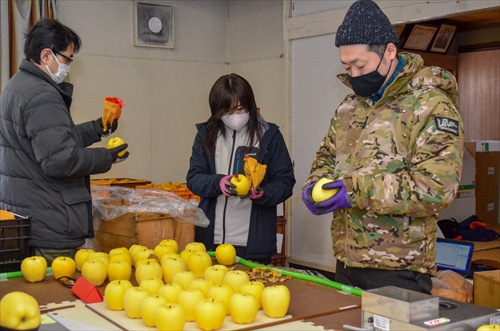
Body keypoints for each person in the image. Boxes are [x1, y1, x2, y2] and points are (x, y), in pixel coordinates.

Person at [301, 0, 464, 294]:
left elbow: (437, 188)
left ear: (389, 52)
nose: (353, 74)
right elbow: (326, 158)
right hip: (346, 262)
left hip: (400, 269)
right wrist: (316, 185)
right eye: (346, 66)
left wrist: (353, 191)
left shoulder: (430, 106)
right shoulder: (349, 108)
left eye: (360, 64)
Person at [0, 18, 129, 264]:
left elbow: (49, 141)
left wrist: (96, 129)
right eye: (67, 58)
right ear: (46, 55)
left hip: (26, 214)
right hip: (49, 222)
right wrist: (107, 157)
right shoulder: (41, 95)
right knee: (56, 296)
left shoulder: (16, 86)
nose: (68, 65)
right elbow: (61, 160)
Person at [187, 73, 295, 265]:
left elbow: (285, 181)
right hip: (213, 241)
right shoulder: (206, 135)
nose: (235, 117)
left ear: (250, 106)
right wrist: (217, 183)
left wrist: (263, 193)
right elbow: (194, 178)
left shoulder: (269, 136)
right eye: (227, 112)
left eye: (240, 109)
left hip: (255, 243)